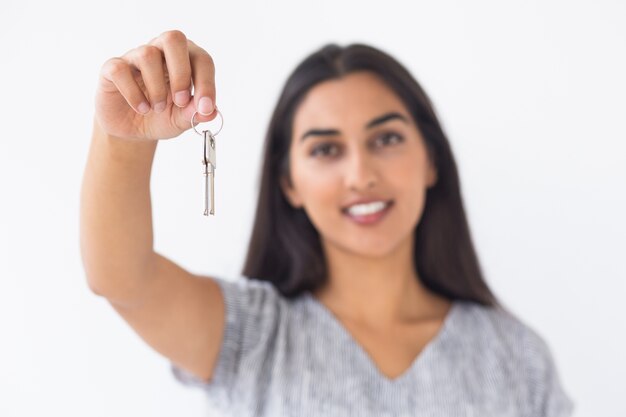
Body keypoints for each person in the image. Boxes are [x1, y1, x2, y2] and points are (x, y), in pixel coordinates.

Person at [80, 29, 575, 416]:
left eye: (386, 139)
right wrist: (125, 137)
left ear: (431, 161)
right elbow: (121, 278)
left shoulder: (517, 358)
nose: (361, 175)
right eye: (325, 149)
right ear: (289, 183)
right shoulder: (252, 334)